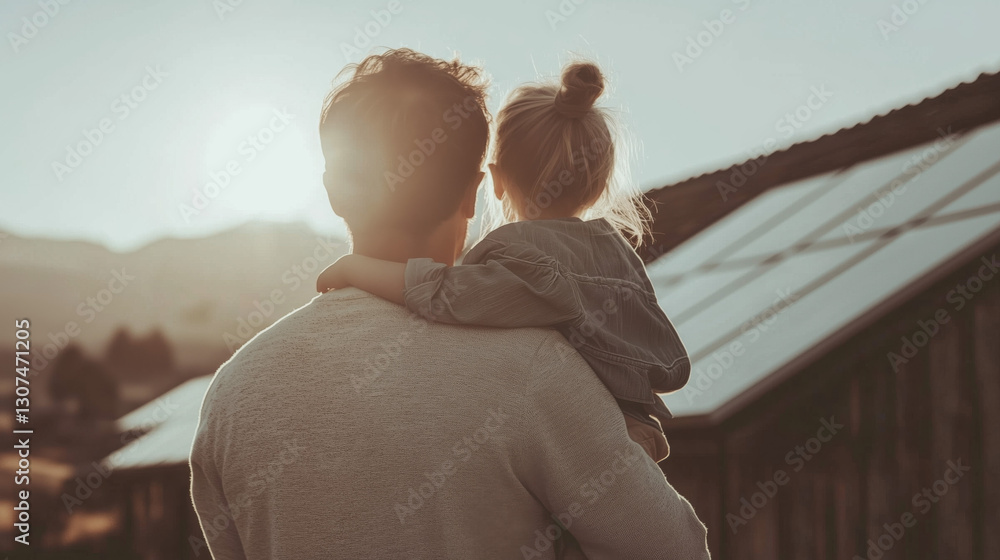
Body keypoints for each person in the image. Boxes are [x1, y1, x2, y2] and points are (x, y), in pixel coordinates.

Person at [190, 48, 710, 560]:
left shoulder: (233, 395)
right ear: (474, 193)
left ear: (334, 192)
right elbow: (677, 550)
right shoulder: (535, 370)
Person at [317, 61, 688, 464]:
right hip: (639, 421)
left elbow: (447, 294)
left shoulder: (516, 254)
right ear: (600, 181)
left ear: (494, 179)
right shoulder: (618, 253)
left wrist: (355, 268)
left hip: (597, 435)